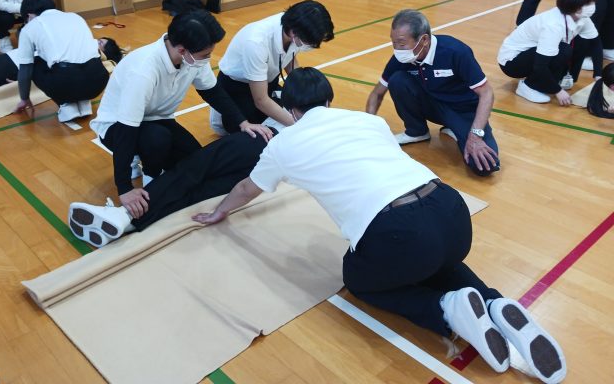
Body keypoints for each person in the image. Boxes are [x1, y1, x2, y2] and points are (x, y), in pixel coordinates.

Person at [193, 68, 567, 384]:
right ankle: (495, 303)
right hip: (452, 211)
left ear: (291, 108)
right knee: (435, 259)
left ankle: (447, 310)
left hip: (398, 232)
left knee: (357, 277)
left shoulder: (283, 144)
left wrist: (219, 212)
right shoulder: (369, 121)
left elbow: (246, 188)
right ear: (328, 99)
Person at [89, 10, 272, 218]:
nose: (208, 59)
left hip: (158, 119)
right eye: (206, 55)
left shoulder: (193, 59)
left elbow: (212, 92)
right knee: (157, 140)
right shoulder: (143, 71)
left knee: (193, 159)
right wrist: (124, 188)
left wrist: (243, 122)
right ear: (183, 50)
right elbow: (126, 130)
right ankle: (149, 179)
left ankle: (153, 173)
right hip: (117, 127)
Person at [68, 129, 272, 247]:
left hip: (264, 140)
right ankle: (131, 221)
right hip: (271, 161)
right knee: (206, 190)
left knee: (191, 171)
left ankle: (126, 214)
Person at [365, 9, 499, 177]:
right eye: (393, 43)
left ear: (424, 40)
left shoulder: (455, 51)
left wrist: (475, 135)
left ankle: (457, 129)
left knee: (484, 166)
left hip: (462, 110)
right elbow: (377, 93)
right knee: (398, 80)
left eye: (401, 44)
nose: (397, 50)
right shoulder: (400, 59)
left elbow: (487, 93)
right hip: (432, 106)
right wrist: (368, 128)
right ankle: (417, 131)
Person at [213, 0, 334, 132]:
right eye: (310, 42)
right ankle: (219, 116)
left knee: (300, 107)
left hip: (266, 80)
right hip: (237, 87)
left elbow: (288, 56)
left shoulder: (293, 24)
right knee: (259, 132)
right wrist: (301, 127)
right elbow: (261, 100)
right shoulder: (256, 43)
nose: (311, 46)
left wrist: (302, 88)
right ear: (294, 33)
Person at [499, 0, 603, 105]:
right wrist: (558, 91)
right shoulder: (553, 25)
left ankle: (547, 80)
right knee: (564, 50)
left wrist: (598, 75)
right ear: (576, 5)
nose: (593, 5)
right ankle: (527, 86)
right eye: (589, 2)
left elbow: (595, 43)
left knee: (576, 45)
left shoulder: (581, 17)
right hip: (512, 63)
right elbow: (540, 65)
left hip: (532, 55)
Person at [13, 0, 110, 123]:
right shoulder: (75, 16)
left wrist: (24, 98)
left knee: (33, 62)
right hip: (98, 80)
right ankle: (83, 102)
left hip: (66, 83)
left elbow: (25, 70)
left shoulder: (30, 27)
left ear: (29, 16)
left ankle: (65, 105)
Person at [0, 37, 122, 103]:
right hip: (9, 57)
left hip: (12, 67)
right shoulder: (75, 41)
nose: (95, 39)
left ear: (102, 53)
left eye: (100, 42)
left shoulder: (87, 58)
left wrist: (22, 80)